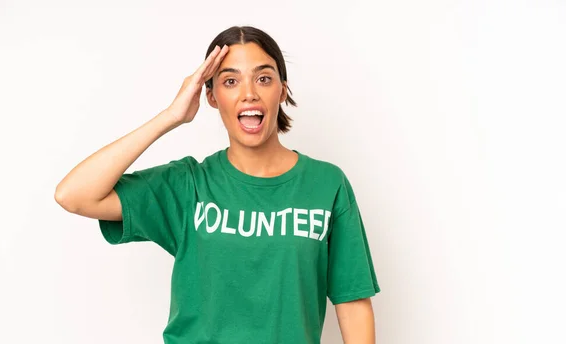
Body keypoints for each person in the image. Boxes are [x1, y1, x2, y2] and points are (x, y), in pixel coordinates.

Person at [55, 25, 380, 344]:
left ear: (282, 90)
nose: (249, 92)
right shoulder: (187, 184)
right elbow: (74, 195)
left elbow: (351, 300)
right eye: (230, 81)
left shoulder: (326, 184)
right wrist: (171, 116)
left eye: (263, 78)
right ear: (210, 95)